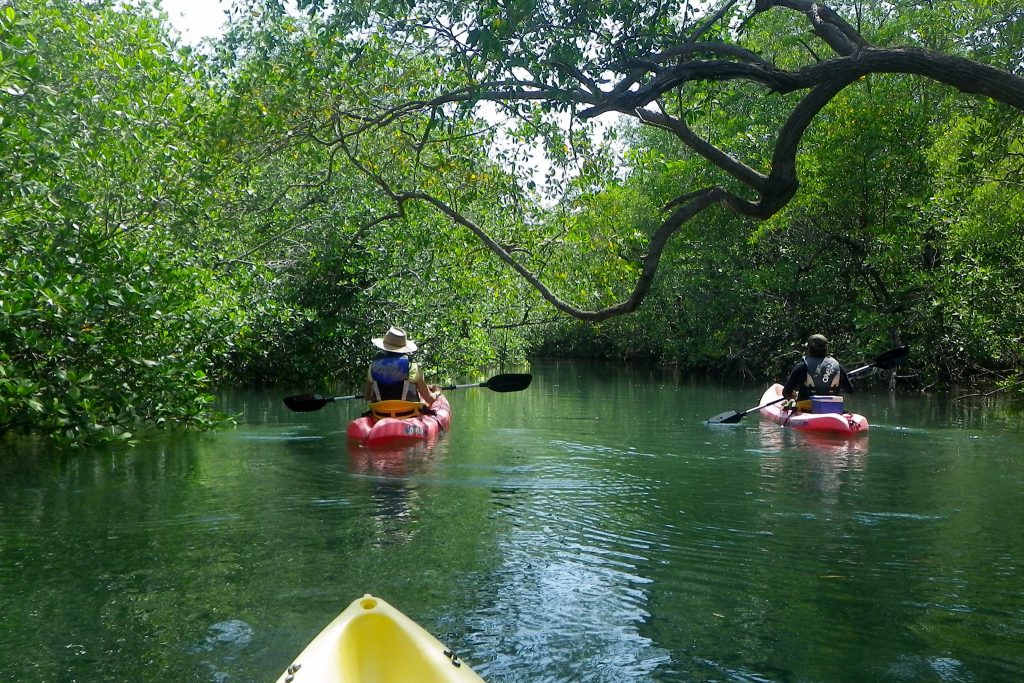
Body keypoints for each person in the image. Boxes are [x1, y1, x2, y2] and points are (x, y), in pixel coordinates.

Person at [362, 326, 439, 412]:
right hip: (408, 414)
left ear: (384, 347)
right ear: (403, 348)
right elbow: (429, 399)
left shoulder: (372, 366)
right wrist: (436, 393)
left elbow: (367, 397)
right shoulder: (413, 367)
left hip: (380, 415)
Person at [781, 334, 854, 411]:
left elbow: (786, 392)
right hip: (832, 409)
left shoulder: (801, 367)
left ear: (809, 349)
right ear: (826, 349)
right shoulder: (838, 367)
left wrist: (794, 395)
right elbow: (850, 390)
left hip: (806, 410)